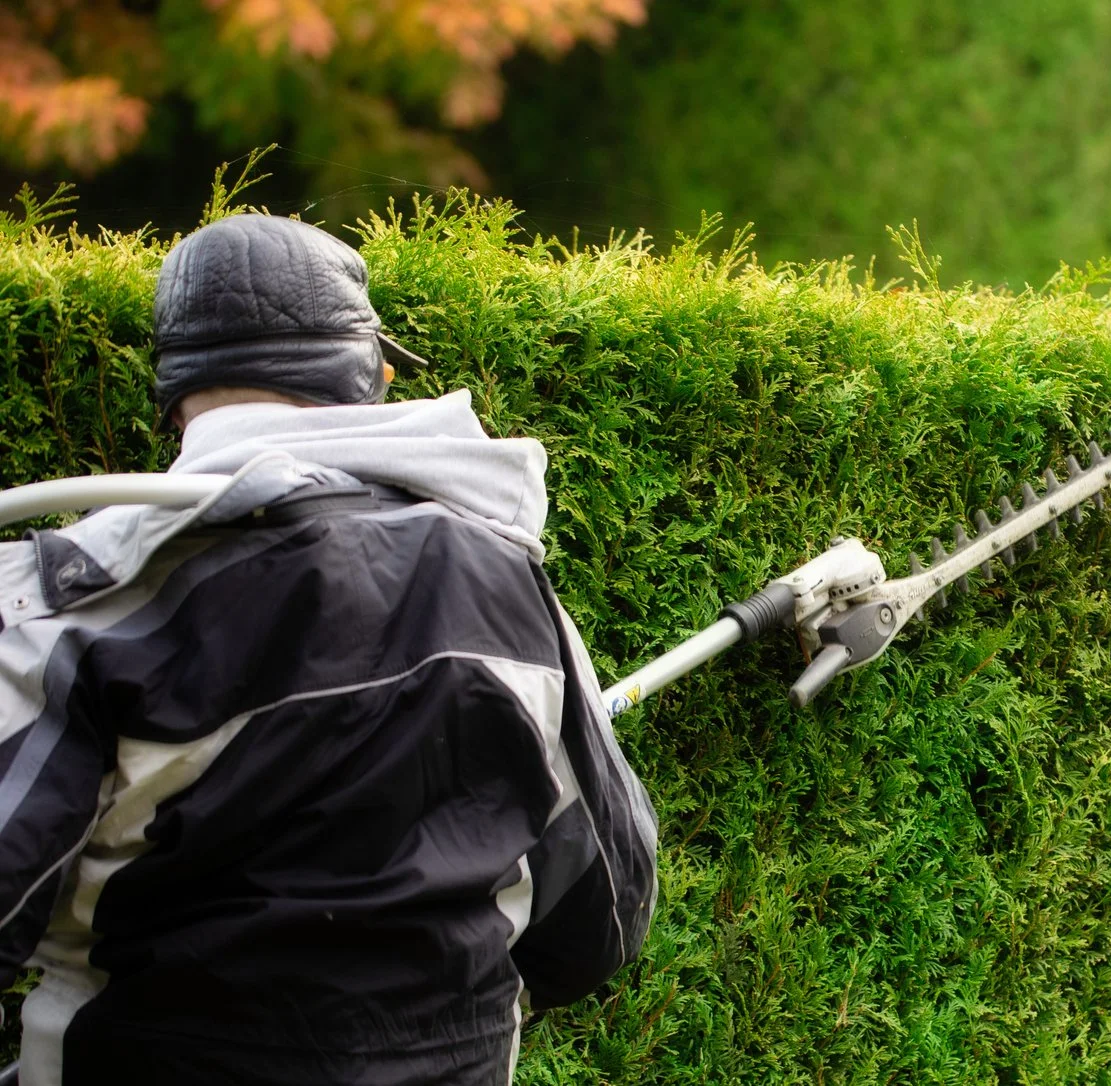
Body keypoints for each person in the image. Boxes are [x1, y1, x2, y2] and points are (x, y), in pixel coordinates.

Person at [0, 214, 656, 1084]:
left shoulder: (77, 601)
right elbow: (601, 921)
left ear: (175, 395)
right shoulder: (505, 578)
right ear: (369, 375)